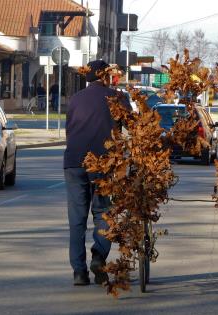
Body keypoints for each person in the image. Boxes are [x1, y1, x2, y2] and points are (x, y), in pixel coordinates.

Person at [64, 60, 131, 286]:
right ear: (106, 76)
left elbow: (69, 130)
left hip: (74, 163)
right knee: (104, 213)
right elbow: (134, 127)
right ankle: (99, 256)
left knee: (77, 219)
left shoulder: (75, 99)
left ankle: (79, 273)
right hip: (104, 163)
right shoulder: (117, 98)